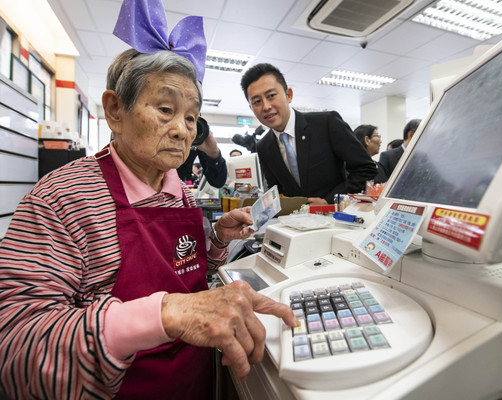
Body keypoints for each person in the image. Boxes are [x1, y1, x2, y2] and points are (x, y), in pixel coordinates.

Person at [0, 2, 296, 399]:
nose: (181, 131)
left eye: (191, 118)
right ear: (115, 110)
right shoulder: (62, 197)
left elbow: (185, 273)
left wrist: (218, 242)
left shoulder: (182, 192)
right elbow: (15, 346)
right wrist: (165, 314)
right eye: (164, 109)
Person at [240, 63, 377, 205]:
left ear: (288, 95)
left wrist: (329, 201)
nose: (266, 106)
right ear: (251, 108)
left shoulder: (326, 123)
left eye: (271, 96)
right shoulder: (264, 146)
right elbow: (277, 190)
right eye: (257, 102)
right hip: (294, 222)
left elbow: (365, 169)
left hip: (336, 218)